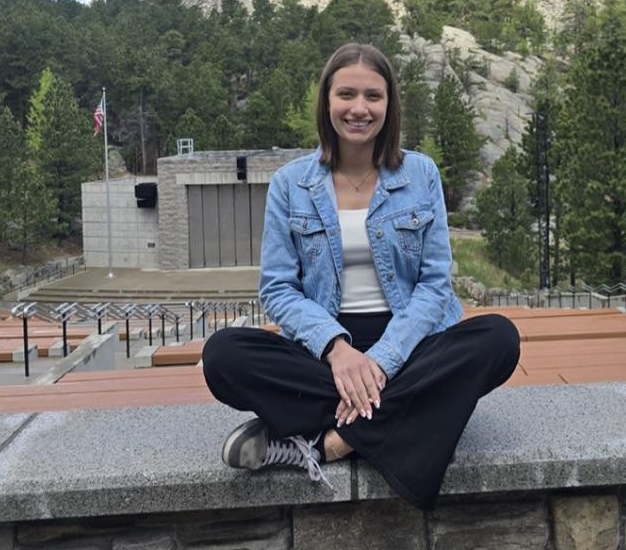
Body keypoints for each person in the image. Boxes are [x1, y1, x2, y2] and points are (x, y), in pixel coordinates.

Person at [202, 43, 520, 510]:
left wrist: (383, 362)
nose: (359, 109)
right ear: (327, 101)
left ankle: (330, 443)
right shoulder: (291, 183)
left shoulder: (419, 173)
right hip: (325, 347)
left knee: (499, 338)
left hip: (412, 342)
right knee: (223, 355)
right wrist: (338, 350)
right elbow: (277, 287)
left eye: (373, 96)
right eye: (346, 94)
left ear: (389, 105)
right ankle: (405, 414)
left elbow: (434, 286)